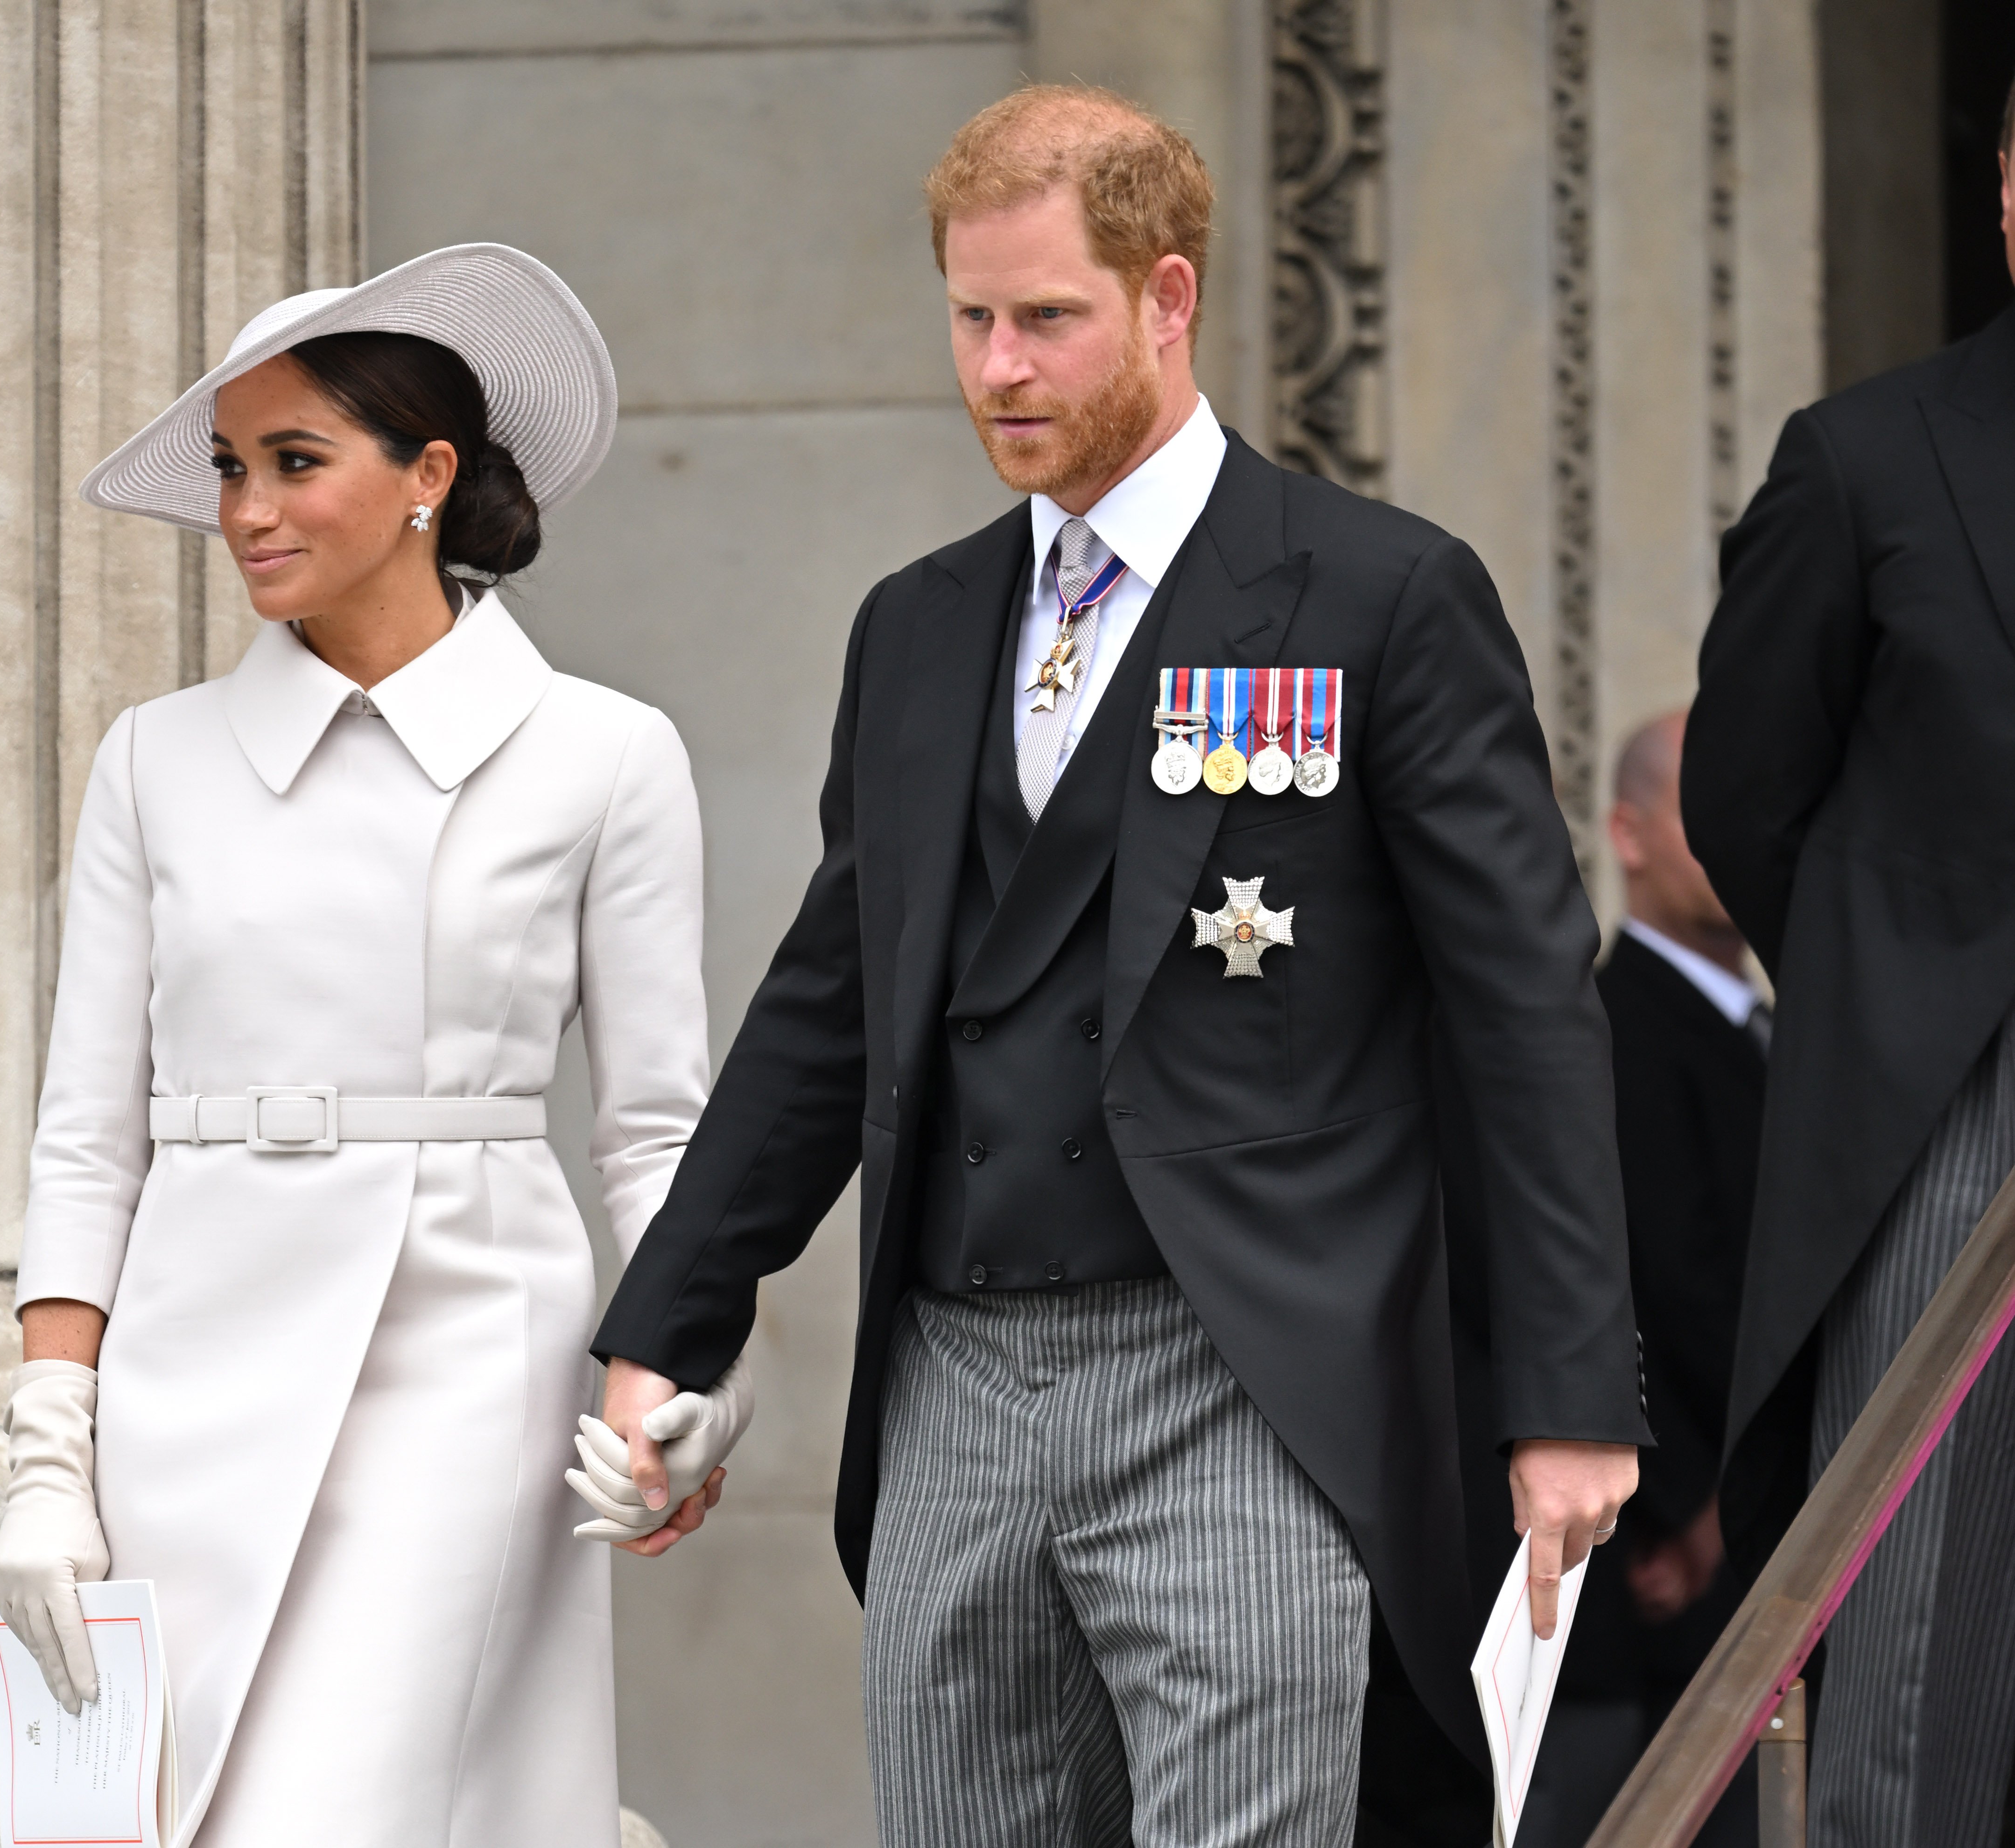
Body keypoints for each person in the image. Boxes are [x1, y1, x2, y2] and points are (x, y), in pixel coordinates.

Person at [582, 86, 1643, 1846]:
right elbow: (830, 1003)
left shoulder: (1376, 597)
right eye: (970, 318)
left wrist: (1568, 1394)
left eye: (1046, 318)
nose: (999, 367)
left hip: (1245, 1379)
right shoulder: (913, 626)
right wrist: (668, 1326)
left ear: (1167, 298)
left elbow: (1525, 1012)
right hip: (950, 1382)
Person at [0, 245, 718, 1848]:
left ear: (427, 477)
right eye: (230, 467)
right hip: (187, 1381)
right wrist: (49, 1459)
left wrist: (684, 1370)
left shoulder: (605, 756)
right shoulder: (154, 762)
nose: (247, 509)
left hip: (465, 1369)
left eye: (295, 462)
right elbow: (89, 1138)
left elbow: (658, 1133)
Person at [1683, 76, 2015, 1848]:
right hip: (1957, 1117)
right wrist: (1897, 1004)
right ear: (2010, 194)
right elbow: (1747, 795)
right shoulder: (1867, 455)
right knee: (1913, 1660)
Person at [1520, 712, 1765, 1848]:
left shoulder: (1766, 1029)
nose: (1734, 835)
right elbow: (1654, 1284)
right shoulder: (1611, 1029)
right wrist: (1695, 1502)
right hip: (1666, 1555)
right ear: (1624, 833)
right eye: (1696, 808)